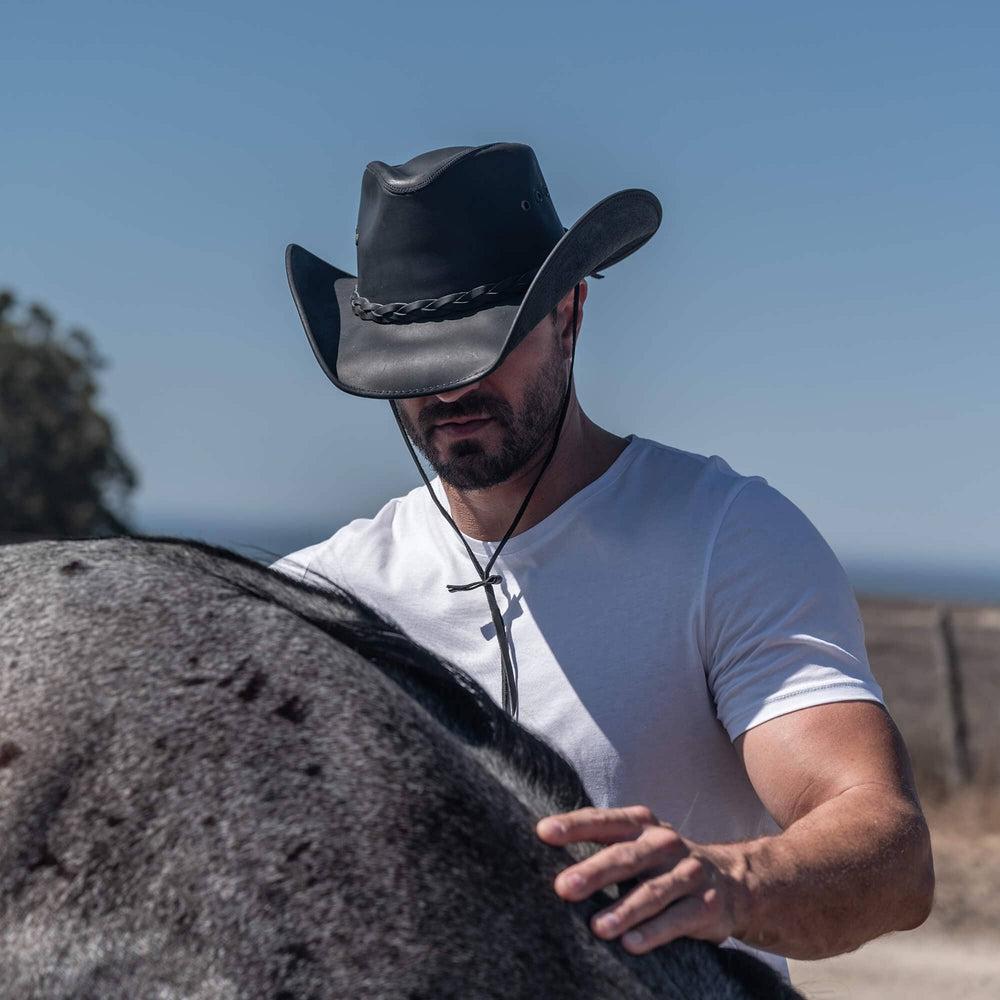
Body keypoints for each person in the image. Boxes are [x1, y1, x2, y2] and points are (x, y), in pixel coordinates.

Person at [272, 141, 934, 980]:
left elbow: (890, 853)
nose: (444, 394)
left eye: (477, 351)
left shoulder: (725, 539)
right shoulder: (321, 600)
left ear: (569, 312)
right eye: (413, 367)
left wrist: (733, 883)